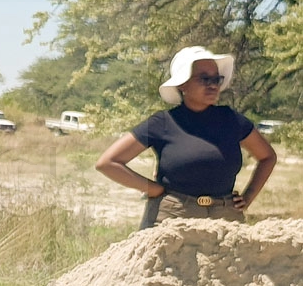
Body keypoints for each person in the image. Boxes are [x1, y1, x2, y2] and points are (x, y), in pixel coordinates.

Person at [96, 46, 277, 229]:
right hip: (172, 218)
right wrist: (154, 190)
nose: (213, 85)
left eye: (217, 79)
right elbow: (108, 163)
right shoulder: (163, 122)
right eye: (204, 79)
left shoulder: (231, 119)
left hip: (225, 219)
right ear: (182, 84)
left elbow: (267, 157)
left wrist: (247, 198)